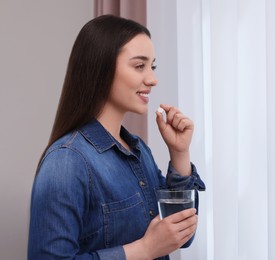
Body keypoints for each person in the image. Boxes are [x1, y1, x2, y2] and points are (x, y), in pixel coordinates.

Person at [28, 15, 205, 260]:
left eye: (152, 66)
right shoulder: (66, 161)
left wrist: (180, 154)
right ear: (101, 67)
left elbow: (181, 235)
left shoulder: (139, 151)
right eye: (139, 66)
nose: (152, 79)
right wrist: (144, 250)